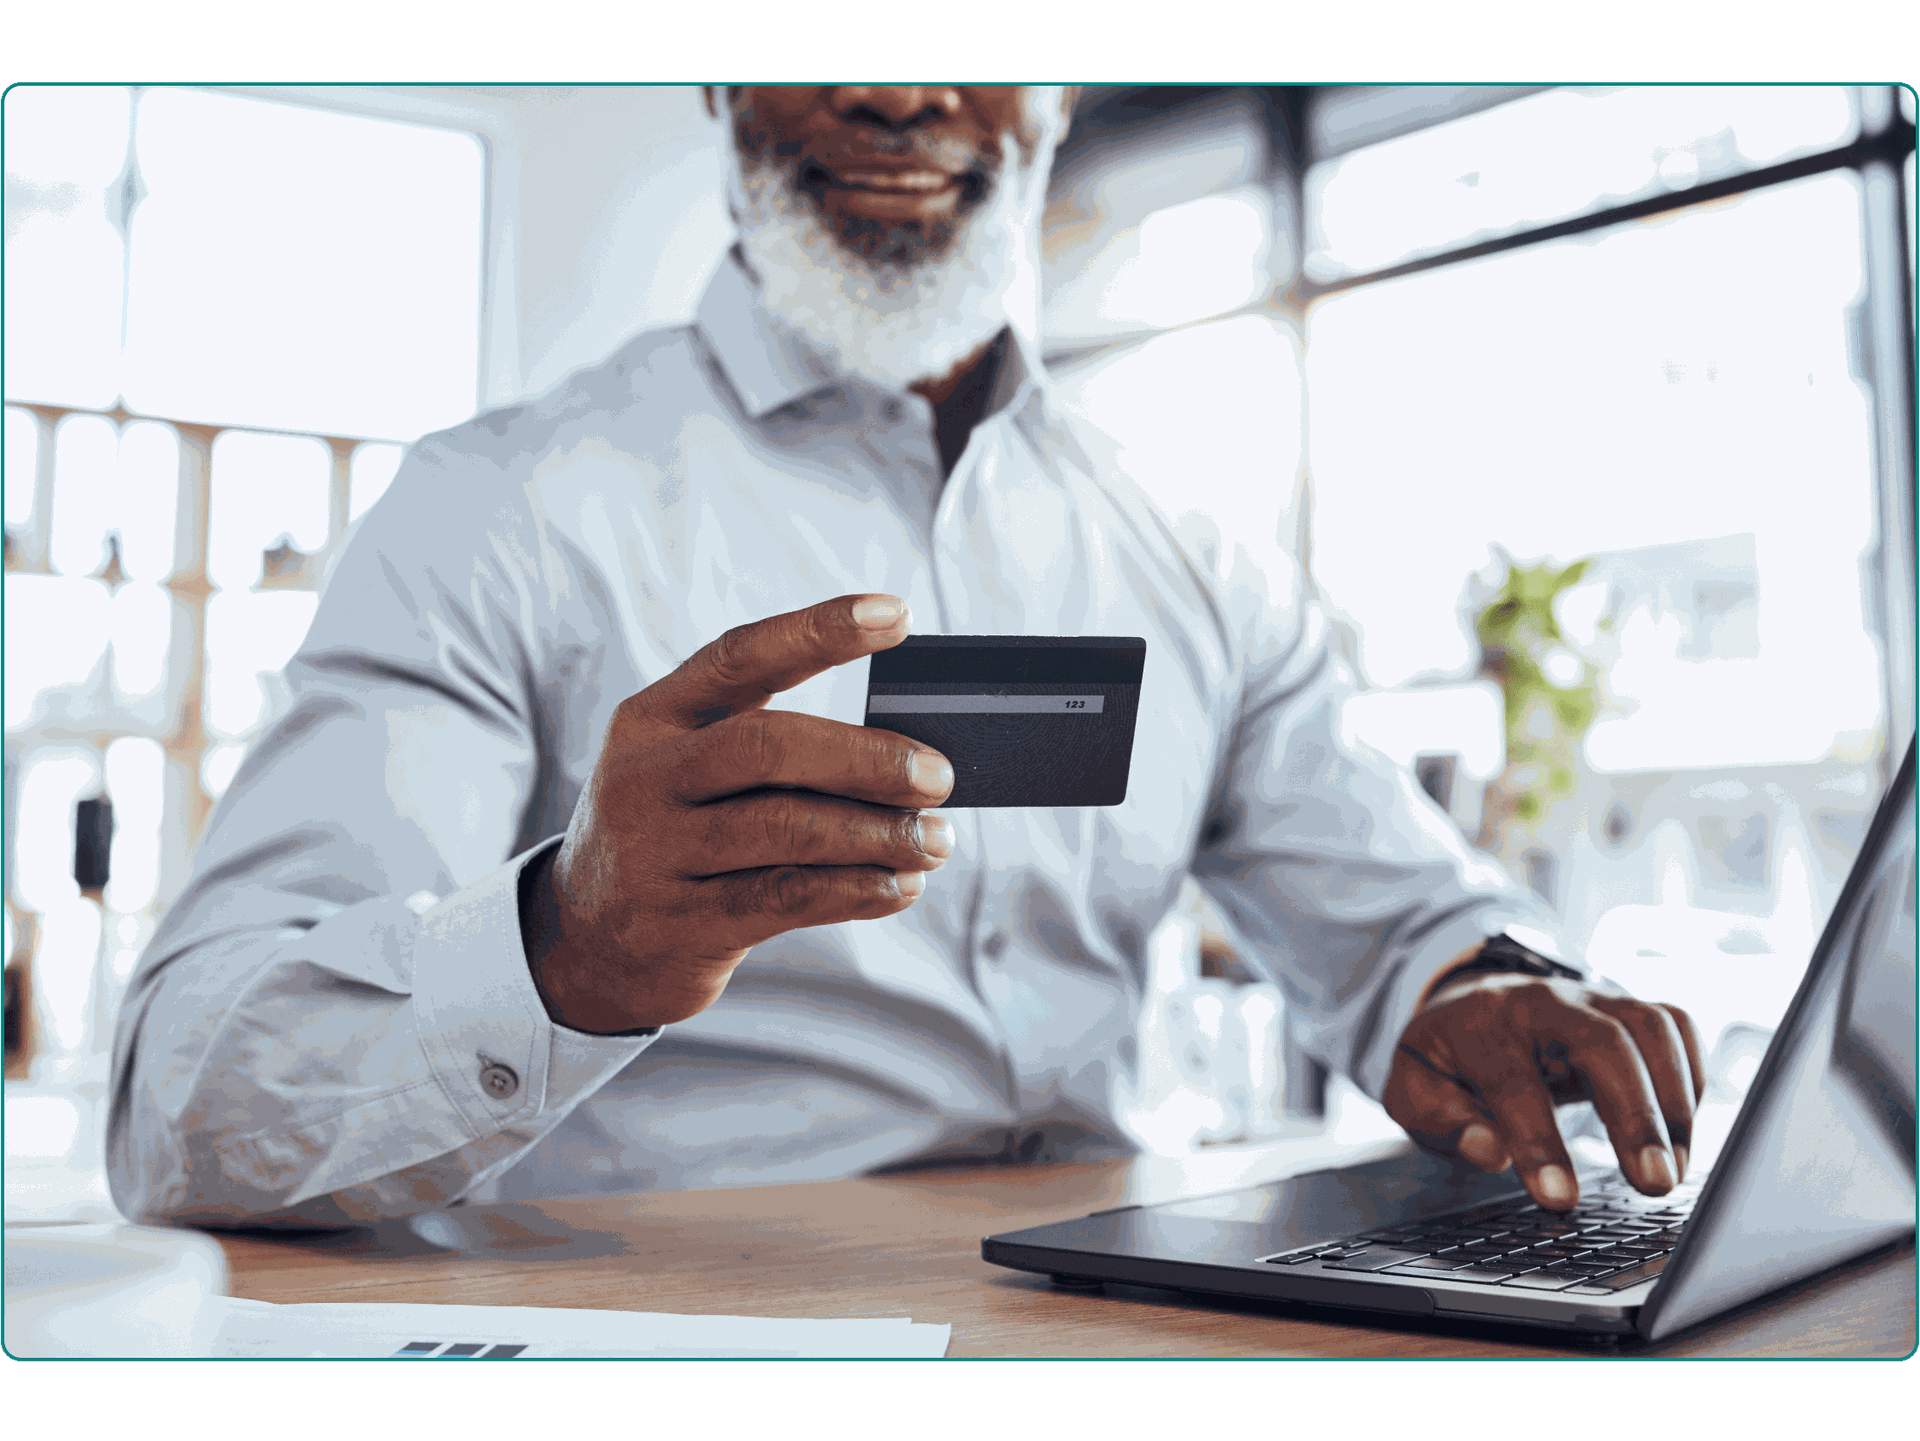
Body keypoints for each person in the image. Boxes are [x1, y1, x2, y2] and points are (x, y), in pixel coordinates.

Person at [108, 86, 1704, 1228]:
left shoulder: (1199, 556)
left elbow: (1406, 919)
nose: (900, 94)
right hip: (684, 1320)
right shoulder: (494, 510)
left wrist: (1483, 984)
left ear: (1061, 101)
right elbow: (182, 1105)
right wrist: (567, 945)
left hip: (1125, 1308)